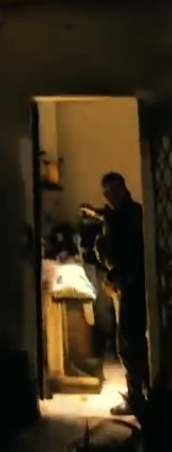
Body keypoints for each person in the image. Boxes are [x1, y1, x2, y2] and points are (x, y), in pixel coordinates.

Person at [94, 171, 149, 416]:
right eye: (106, 193)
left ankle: (138, 397)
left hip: (132, 285)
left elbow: (125, 253)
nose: (109, 197)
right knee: (131, 341)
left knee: (129, 342)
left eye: (112, 191)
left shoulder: (128, 216)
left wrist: (104, 247)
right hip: (128, 283)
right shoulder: (125, 213)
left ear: (122, 189)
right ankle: (141, 393)